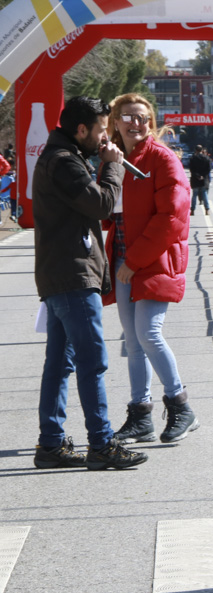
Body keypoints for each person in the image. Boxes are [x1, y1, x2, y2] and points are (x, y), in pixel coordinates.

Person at [32, 96, 148, 470]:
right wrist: (113, 168)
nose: (105, 138)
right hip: (72, 274)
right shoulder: (64, 162)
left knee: (60, 362)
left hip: (63, 274)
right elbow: (101, 205)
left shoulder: (64, 156)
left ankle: (51, 443)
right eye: (100, 129)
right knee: (91, 361)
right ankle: (101, 443)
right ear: (80, 129)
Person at [103, 93, 199, 446]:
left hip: (152, 259)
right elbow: (105, 208)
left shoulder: (163, 159)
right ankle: (139, 415)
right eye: (128, 117)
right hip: (124, 259)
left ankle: (180, 405)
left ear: (151, 122)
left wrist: (133, 261)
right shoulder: (114, 158)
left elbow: (172, 218)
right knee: (132, 341)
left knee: (148, 334)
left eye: (142, 117)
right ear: (115, 122)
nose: (136, 123)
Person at [188, 144, 212, 215]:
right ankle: (207, 209)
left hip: (195, 179)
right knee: (204, 194)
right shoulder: (206, 158)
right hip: (204, 179)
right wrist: (203, 176)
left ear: (196, 150)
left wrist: (197, 176)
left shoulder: (193, 158)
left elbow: (191, 169)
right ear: (202, 150)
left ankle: (192, 210)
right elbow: (209, 169)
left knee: (194, 195)